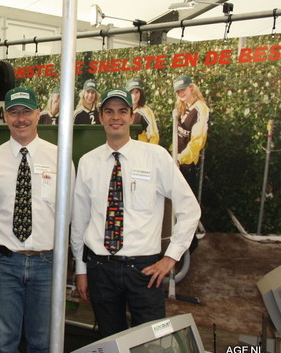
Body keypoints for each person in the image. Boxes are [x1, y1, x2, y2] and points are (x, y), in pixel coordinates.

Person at [71, 88, 200, 337]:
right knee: (111, 342)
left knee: (152, 342)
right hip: (100, 269)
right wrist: (81, 270)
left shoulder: (155, 157)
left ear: (132, 117)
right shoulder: (88, 162)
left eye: (122, 111)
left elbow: (190, 209)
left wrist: (171, 257)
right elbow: (80, 221)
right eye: (109, 111)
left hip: (144, 271)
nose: (115, 117)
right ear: (101, 117)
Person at [0, 86, 73, 353]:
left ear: (38, 114)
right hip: (3, 265)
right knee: (4, 345)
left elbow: (68, 212)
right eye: (13, 112)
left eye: (26, 112)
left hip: (47, 264)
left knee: (44, 345)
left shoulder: (60, 157)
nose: (20, 118)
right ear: (5, 116)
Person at [173, 75, 210, 191]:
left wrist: (180, 159)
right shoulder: (184, 107)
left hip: (186, 165)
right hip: (176, 161)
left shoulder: (201, 109)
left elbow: (197, 142)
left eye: (183, 89)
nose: (181, 93)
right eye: (178, 91)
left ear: (191, 88)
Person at [125, 78, 159, 144]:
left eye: (137, 92)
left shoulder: (145, 112)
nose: (134, 96)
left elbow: (154, 137)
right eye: (131, 92)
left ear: (141, 93)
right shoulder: (123, 111)